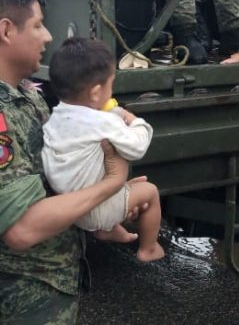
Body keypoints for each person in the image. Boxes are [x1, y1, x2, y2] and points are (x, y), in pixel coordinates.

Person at [0, 0, 141, 322]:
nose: (48, 36)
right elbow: (22, 230)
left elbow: (55, 182)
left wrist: (105, 208)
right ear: (5, 31)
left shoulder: (28, 97)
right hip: (24, 296)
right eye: (37, 25)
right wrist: (109, 183)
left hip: (49, 286)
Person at [42, 37, 164, 262]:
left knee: (99, 168)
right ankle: (149, 249)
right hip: (94, 208)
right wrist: (131, 118)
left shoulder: (55, 117)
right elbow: (138, 146)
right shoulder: (104, 122)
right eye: (111, 84)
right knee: (149, 191)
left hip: (69, 205)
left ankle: (107, 228)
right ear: (96, 93)